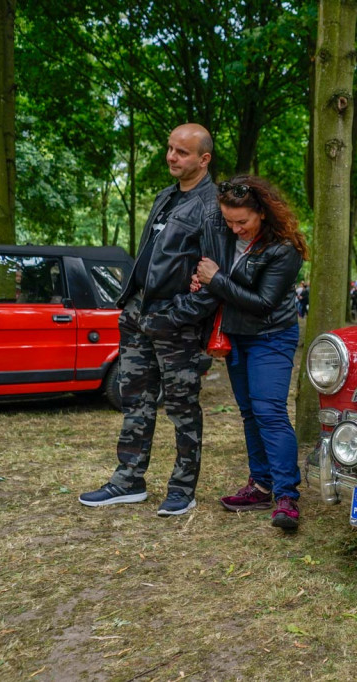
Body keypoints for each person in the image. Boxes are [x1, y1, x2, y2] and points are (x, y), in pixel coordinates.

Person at [79, 123, 228, 516]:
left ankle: (182, 489)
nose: (171, 157)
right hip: (137, 317)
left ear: (204, 159)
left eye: (182, 152)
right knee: (135, 401)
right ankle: (128, 480)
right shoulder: (165, 197)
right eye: (170, 149)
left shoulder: (213, 207)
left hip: (175, 325)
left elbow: (216, 278)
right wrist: (130, 306)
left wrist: (179, 316)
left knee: (181, 407)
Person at [194, 175, 308, 530]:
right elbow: (217, 275)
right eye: (229, 221)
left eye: (241, 221)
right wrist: (199, 278)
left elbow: (262, 303)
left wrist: (215, 279)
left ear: (262, 212)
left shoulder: (284, 249)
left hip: (271, 335)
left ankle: (287, 496)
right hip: (237, 336)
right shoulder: (226, 237)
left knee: (269, 411)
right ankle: (260, 485)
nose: (235, 228)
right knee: (248, 412)